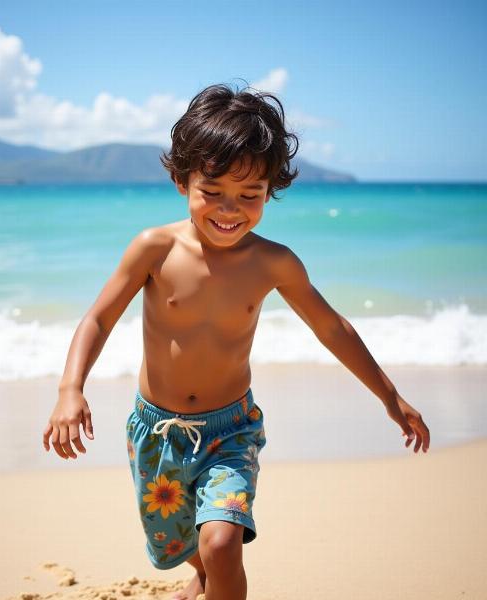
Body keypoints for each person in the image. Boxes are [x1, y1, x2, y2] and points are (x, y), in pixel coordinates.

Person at [43, 82, 430, 600]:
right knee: (188, 545)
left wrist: (389, 395)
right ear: (183, 180)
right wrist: (71, 388)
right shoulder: (154, 248)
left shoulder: (274, 262)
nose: (231, 209)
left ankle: (213, 574)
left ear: (271, 190)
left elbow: (332, 327)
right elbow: (98, 319)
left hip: (231, 430)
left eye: (250, 195)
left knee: (224, 542)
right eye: (213, 191)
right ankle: (200, 576)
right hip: (158, 432)